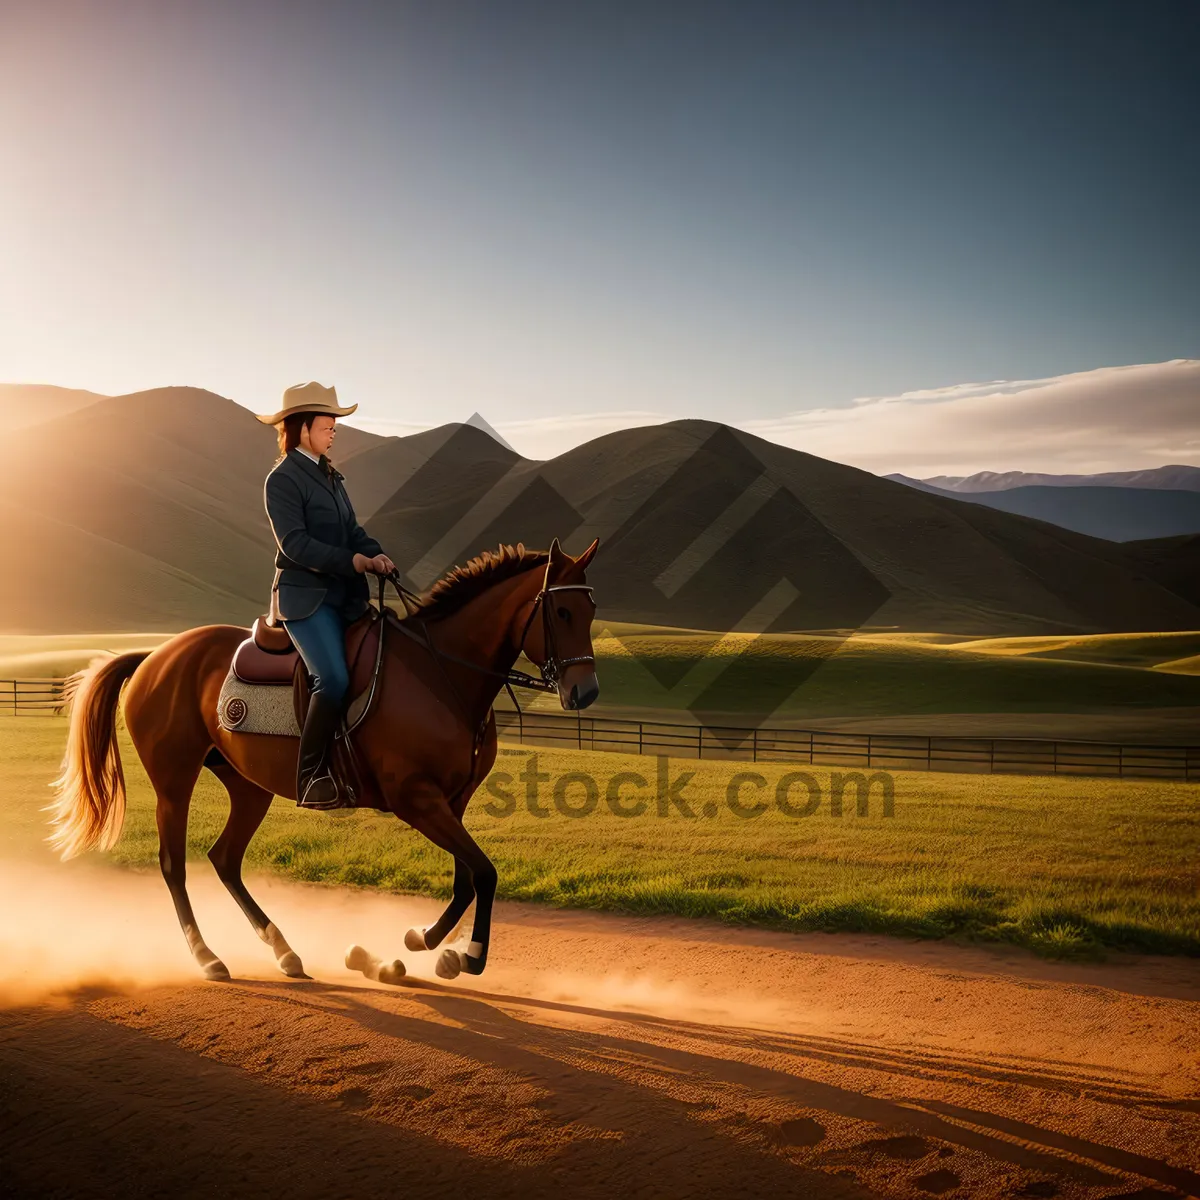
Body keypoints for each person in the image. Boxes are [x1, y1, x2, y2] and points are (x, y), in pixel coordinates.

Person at [255, 382, 395, 810]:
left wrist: (375, 553)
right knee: (332, 679)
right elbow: (295, 544)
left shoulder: (331, 476)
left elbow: (352, 530)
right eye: (327, 425)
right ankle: (310, 776)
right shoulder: (281, 481)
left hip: (344, 597)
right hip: (304, 599)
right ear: (301, 430)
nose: (334, 431)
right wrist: (353, 562)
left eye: (334, 425)